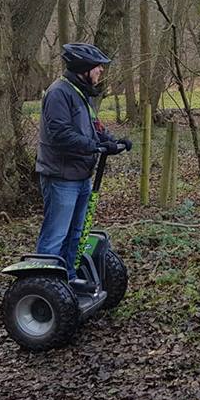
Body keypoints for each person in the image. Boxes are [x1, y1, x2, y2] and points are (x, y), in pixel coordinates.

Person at [35, 43, 132, 280]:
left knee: (77, 234)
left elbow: (92, 128)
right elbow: (60, 133)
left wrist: (111, 141)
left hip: (80, 175)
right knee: (56, 234)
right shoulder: (59, 92)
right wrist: (94, 146)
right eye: (97, 67)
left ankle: (66, 281)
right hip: (61, 176)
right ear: (83, 68)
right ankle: (44, 286)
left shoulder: (80, 93)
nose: (101, 71)